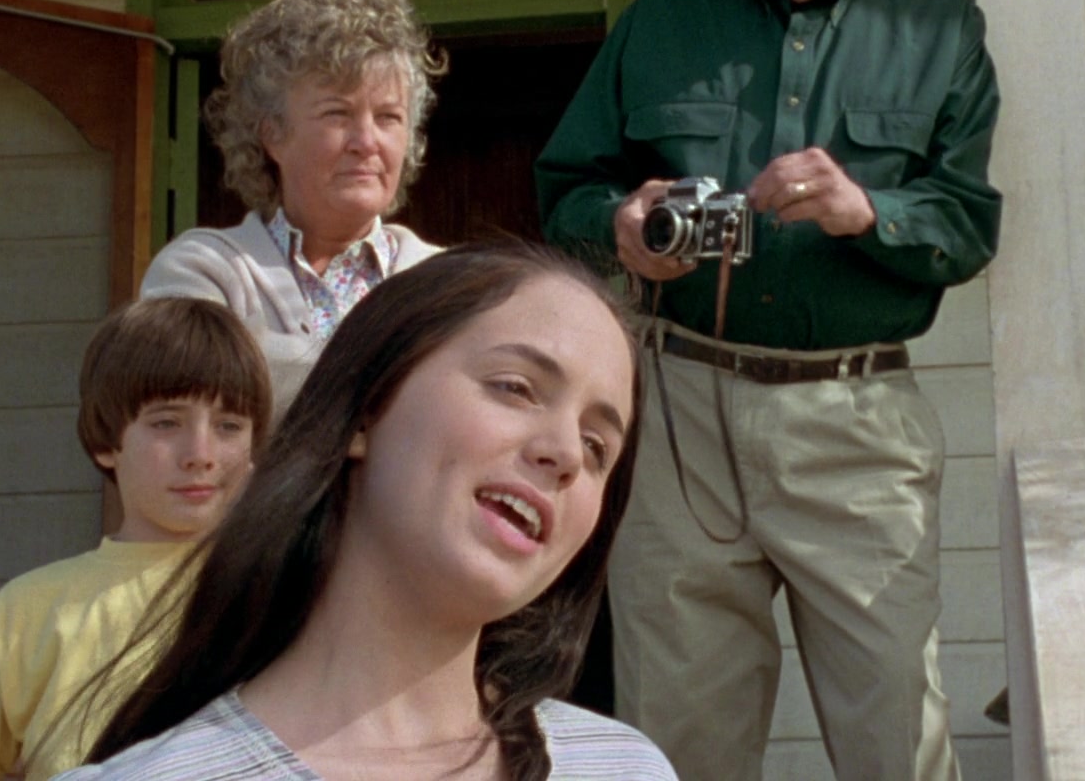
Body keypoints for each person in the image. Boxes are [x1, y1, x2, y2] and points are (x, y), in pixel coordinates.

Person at [535, 0, 1003, 781]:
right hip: (680, 410)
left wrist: (866, 210)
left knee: (896, 739)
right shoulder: (659, 24)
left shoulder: (941, 31)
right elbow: (563, 191)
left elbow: (968, 224)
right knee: (680, 741)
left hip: (857, 418)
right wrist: (621, 225)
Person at [62, 243, 679, 781]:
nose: (566, 453)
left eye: (598, 448)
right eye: (515, 388)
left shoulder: (624, 769)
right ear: (365, 410)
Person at [0, 296, 272, 780]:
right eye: (166, 423)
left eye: (229, 426)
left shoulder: (285, 596)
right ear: (106, 440)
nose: (201, 453)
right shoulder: (26, 610)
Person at [140, 0, 446, 417]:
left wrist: (266, 363)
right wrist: (411, 379)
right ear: (272, 134)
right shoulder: (200, 271)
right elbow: (194, 399)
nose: (367, 142)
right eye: (337, 114)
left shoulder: (448, 280)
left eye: (388, 117)